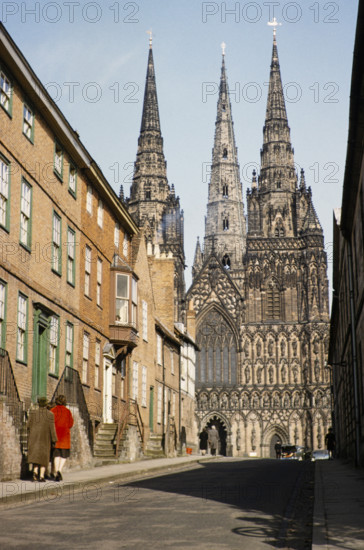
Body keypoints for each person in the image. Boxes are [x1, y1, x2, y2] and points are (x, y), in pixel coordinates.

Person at [27, 397, 57, 482]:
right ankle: (41, 476)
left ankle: (35, 473)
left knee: (35, 456)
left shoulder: (33, 413)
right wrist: (54, 439)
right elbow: (52, 429)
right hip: (45, 438)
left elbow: (28, 425)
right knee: (44, 458)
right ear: (46, 404)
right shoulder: (50, 414)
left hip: (34, 438)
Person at [51, 395, 74, 481]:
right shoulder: (67, 411)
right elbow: (71, 424)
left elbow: (50, 423)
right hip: (65, 436)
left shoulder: (53, 410)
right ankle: (59, 470)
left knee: (56, 455)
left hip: (56, 435)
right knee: (64, 455)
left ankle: (56, 471)